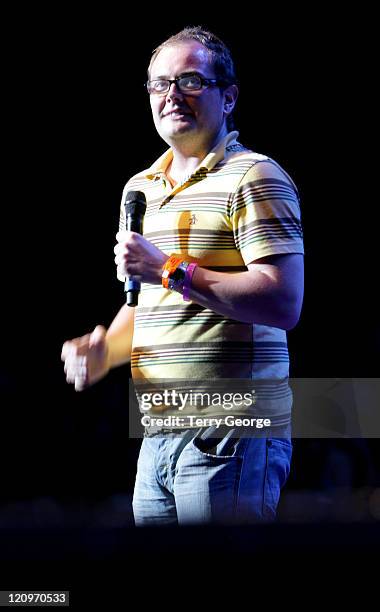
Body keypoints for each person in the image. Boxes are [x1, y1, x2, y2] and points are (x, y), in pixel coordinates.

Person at [61, 26, 304, 525]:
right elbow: (147, 305)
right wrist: (102, 351)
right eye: (159, 83)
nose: (172, 95)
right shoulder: (141, 187)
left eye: (191, 81)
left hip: (231, 432)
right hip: (158, 436)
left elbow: (283, 303)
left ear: (228, 96)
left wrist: (167, 269)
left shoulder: (254, 175)